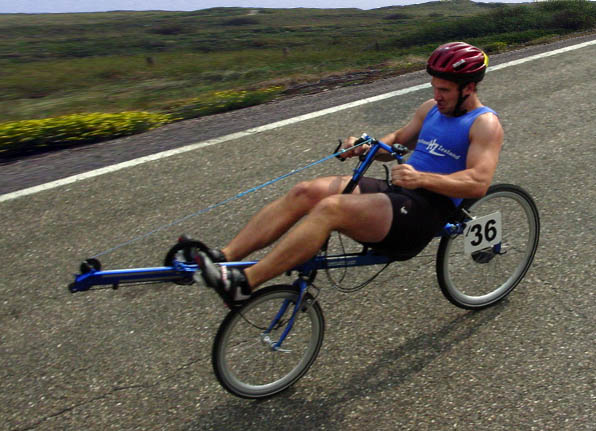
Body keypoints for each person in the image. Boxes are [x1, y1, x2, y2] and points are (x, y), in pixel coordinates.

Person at [195, 41, 504, 305]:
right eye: (434, 87)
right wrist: (364, 145)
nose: (437, 95)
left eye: (445, 90)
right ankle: (225, 256)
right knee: (307, 191)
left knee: (330, 210)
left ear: (470, 88)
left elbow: (478, 182)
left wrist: (423, 179)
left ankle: (244, 283)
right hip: (399, 192)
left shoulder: (484, 124)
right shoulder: (431, 109)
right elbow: (397, 140)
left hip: (426, 211)